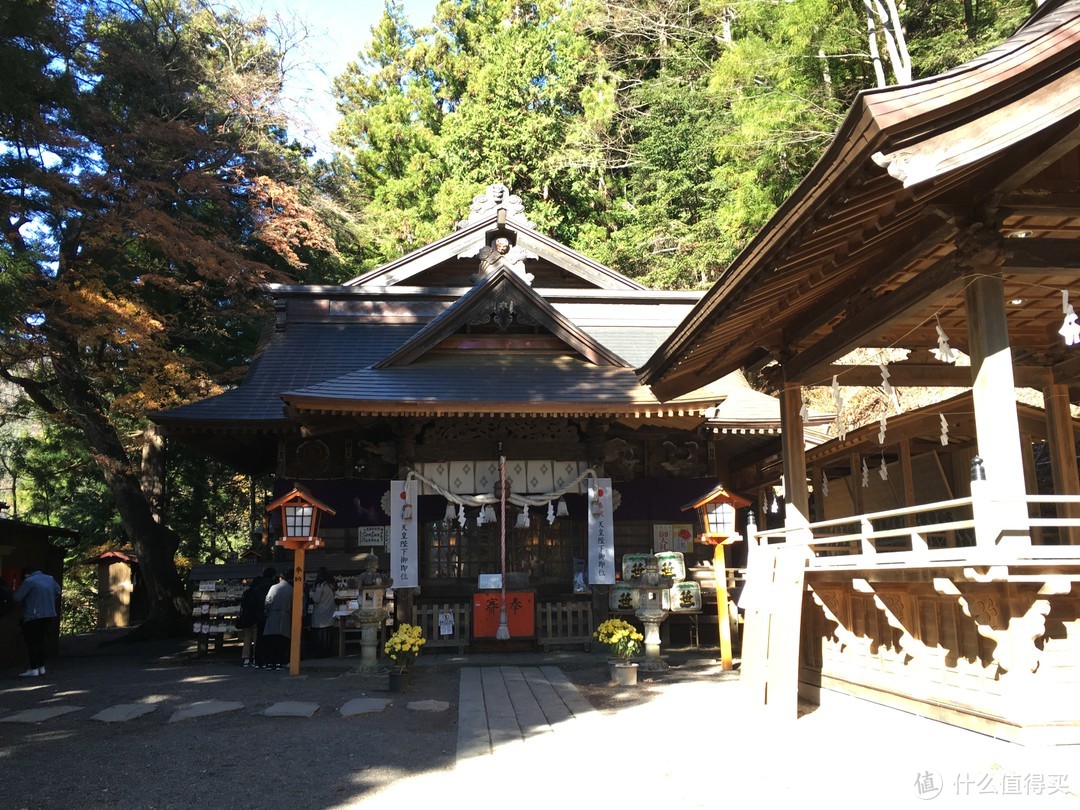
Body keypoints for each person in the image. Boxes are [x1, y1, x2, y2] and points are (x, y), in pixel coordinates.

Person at [13, 566, 62, 678]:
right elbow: (58, 591)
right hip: (49, 614)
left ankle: (33, 668)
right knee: (41, 640)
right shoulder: (50, 578)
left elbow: (17, 597)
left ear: (26, 575)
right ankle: (41, 667)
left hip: (33, 615)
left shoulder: (29, 581)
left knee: (32, 642)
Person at [236, 571, 270, 667]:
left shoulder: (246, 592)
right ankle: (256, 657)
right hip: (255, 618)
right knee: (256, 639)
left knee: (247, 638)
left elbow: (242, 605)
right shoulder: (258, 592)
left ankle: (246, 658)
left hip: (246, 618)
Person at [261, 570, 292, 670]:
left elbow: (268, 600)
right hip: (285, 614)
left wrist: (267, 611)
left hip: (273, 614)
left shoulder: (273, 587)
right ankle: (281, 662)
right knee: (283, 639)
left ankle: (270, 662)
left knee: (271, 639)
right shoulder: (292, 589)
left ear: (280, 578)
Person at [308, 567, 336, 659]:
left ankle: (319, 653)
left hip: (320, 613)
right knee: (327, 634)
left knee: (319, 635)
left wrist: (312, 594)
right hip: (329, 612)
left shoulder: (320, 585)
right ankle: (327, 652)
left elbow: (316, 599)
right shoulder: (331, 585)